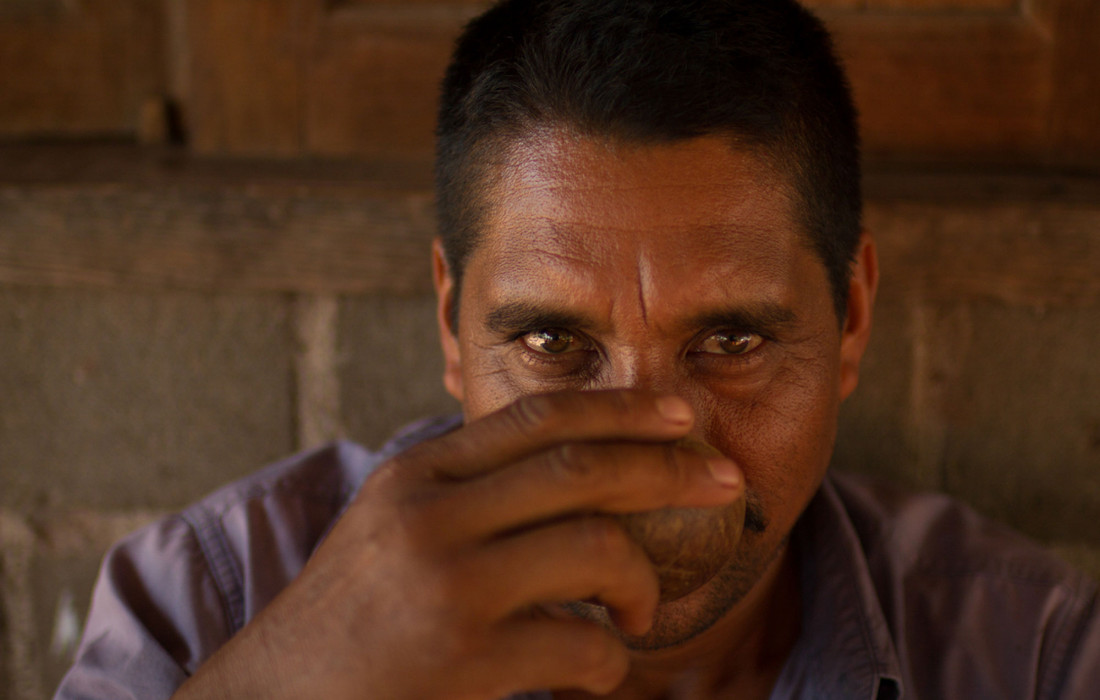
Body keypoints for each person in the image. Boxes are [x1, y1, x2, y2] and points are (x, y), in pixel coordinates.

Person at [56, 0, 1099, 698]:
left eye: (730, 339)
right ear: (451, 326)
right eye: (552, 340)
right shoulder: (214, 606)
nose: (646, 473)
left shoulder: (1028, 654)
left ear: (851, 320)